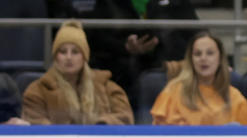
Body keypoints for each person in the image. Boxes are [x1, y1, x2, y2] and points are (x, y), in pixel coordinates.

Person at [55, 0, 199, 104]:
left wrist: (160, 42)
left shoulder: (177, 3)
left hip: (164, 68)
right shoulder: (107, 4)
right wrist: (125, 48)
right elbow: (96, 37)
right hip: (120, 70)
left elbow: (194, 35)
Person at [21, 20, 134, 125]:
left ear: (84, 57)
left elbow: (125, 118)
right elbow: (35, 126)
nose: (69, 57)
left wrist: (99, 126)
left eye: (75, 52)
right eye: (63, 52)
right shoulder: (37, 91)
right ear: (55, 57)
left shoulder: (107, 87)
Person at [150, 32, 247, 125]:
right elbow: (159, 137)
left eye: (210, 53)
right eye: (198, 54)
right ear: (191, 60)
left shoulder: (236, 99)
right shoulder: (172, 92)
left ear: (220, 58)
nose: (203, 58)